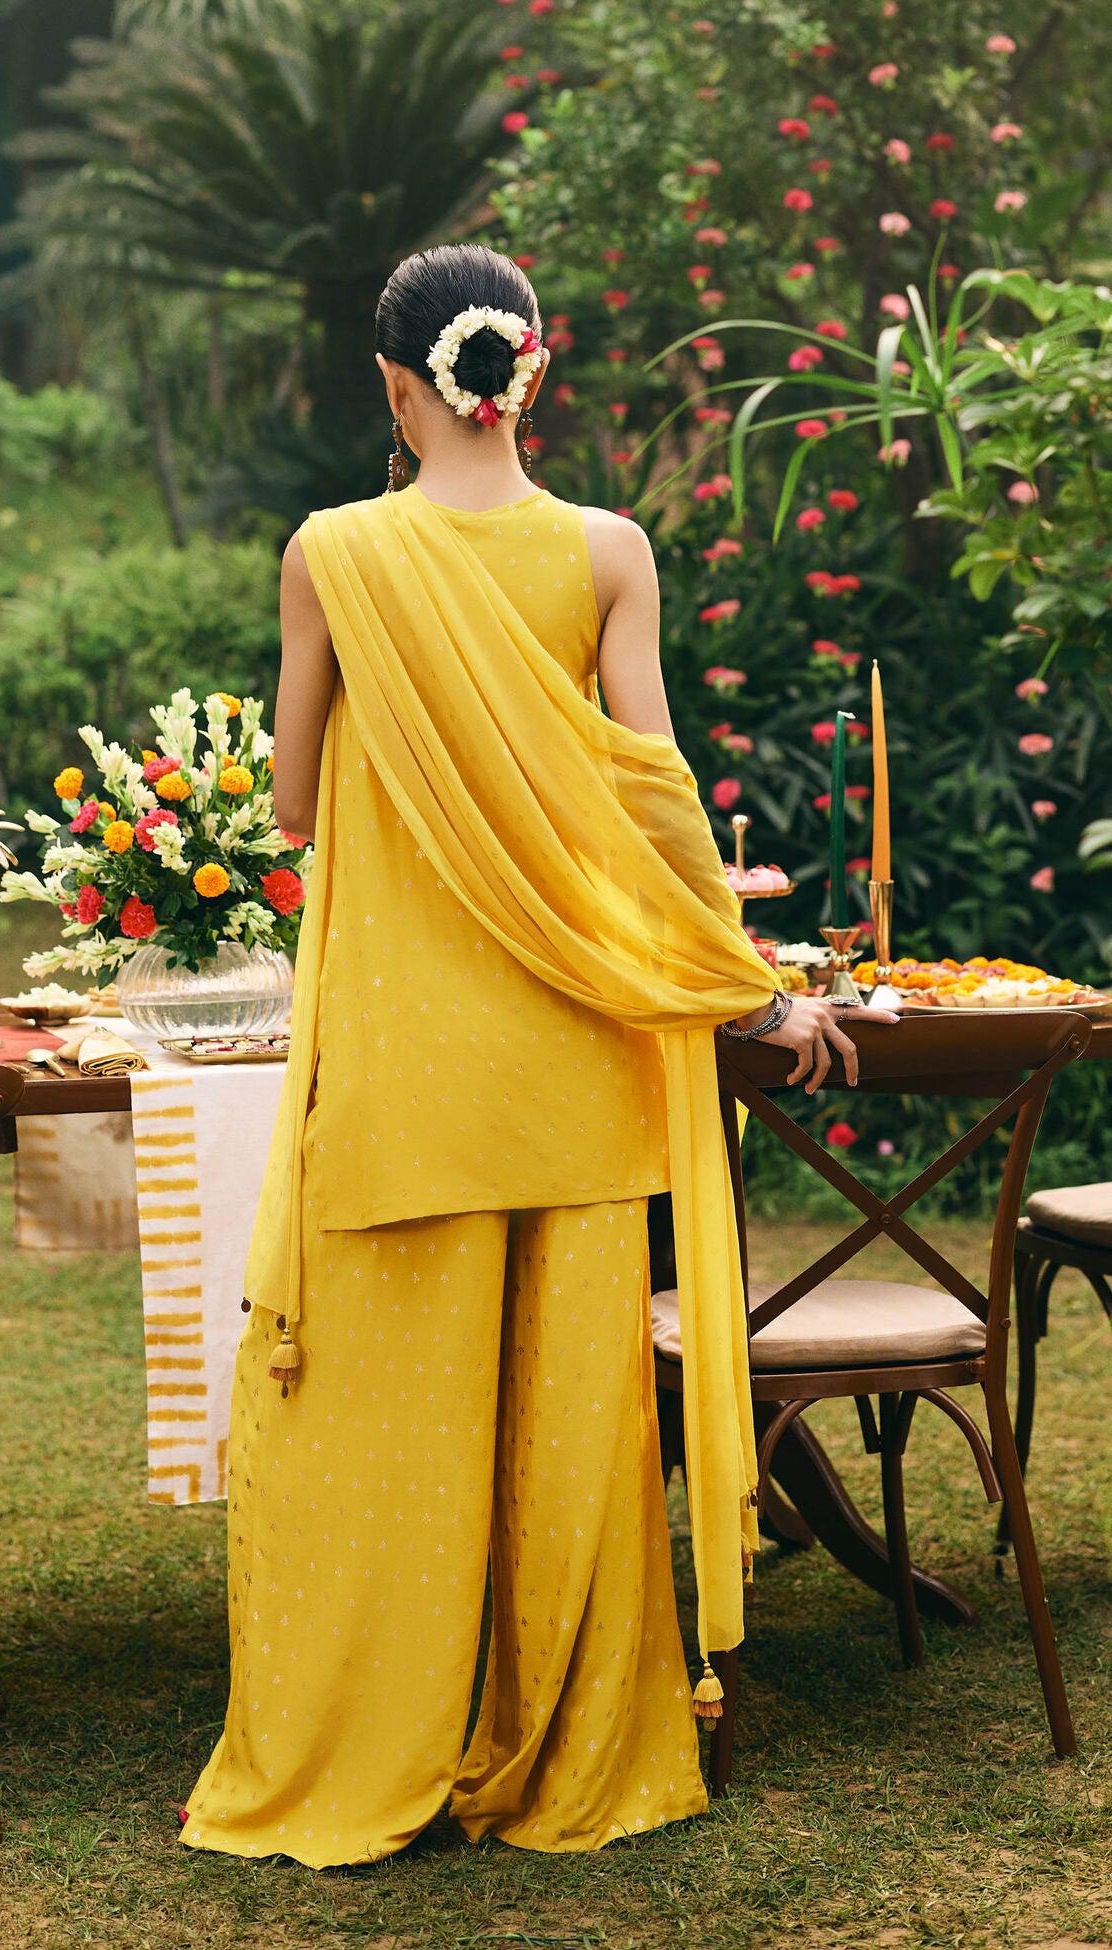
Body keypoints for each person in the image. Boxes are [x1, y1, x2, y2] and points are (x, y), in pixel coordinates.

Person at [181, 244, 896, 1869]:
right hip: (568, 1054)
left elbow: (290, 804)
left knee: (378, 1431)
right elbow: (652, 800)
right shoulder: (610, 550)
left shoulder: (334, 554)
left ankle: (382, 1746)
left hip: (405, 1056)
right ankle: (573, 1746)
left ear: (395, 382)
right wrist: (749, 987)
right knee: (570, 1434)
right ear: (532, 370)